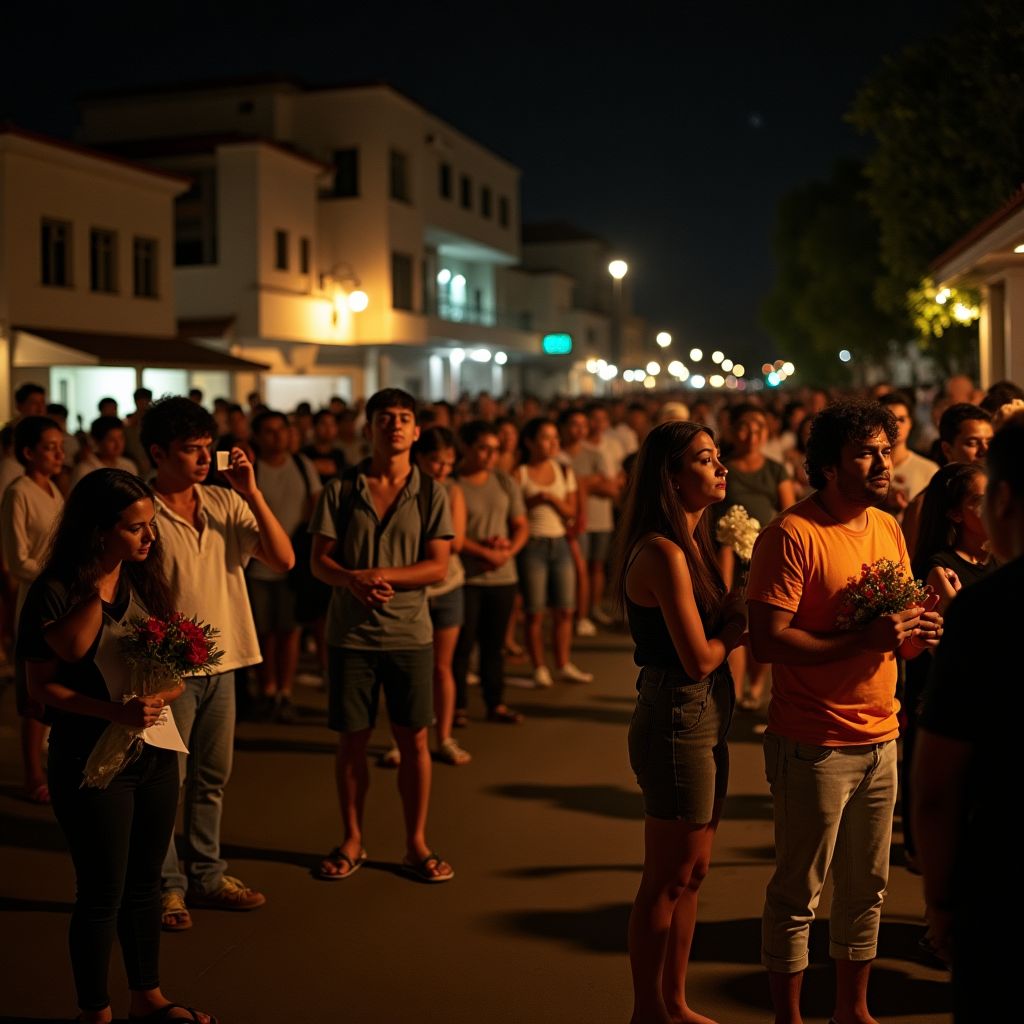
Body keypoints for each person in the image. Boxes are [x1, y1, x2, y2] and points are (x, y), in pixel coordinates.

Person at [746, 400, 943, 1024]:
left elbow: (895, 635)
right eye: (865, 452)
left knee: (867, 890)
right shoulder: (792, 534)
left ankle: (852, 1011)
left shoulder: (886, 526)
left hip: (882, 734)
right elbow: (767, 641)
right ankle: (789, 1017)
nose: (883, 462)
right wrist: (864, 639)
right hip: (814, 741)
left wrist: (918, 632)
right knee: (798, 894)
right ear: (828, 466)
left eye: (885, 449)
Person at [19, 469, 216, 1024]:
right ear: (98, 530)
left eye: (151, 525)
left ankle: (147, 997)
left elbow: (175, 673)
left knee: (145, 884)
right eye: (135, 528)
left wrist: (163, 690)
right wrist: (114, 711)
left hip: (154, 753)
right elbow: (41, 688)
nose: (150, 537)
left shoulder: (145, 580)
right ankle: (95, 1012)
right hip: (91, 761)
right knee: (101, 891)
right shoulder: (56, 589)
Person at [143, 397, 294, 931]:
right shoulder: (141, 509)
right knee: (167, 782)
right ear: (158, 453)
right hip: (167, 669)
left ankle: (207, 874)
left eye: (209, 448)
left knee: (211, 779)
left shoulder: (224, 501)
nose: (205, 459)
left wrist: (251, 492)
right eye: (192, 449)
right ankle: (166, 885)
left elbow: (283, 558)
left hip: (224, 660)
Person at [614, 420, 746, 1024]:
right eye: (704, 459)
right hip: (677, 713)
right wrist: (738, 625)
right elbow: (697, 658)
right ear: (670, 477)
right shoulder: (663, 552)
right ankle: (648, 1011)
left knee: (693, 873)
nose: (721, 467)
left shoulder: (692, 543)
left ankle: (674, 1001)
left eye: (718, 456)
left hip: (705, 712)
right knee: (666, 878)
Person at [310, 388, 455, 883]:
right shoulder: (340, 489)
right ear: (368, 428)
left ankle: (416, 844)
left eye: (403, 418)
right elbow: (319, 562)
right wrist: (351, 579)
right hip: (350, 635)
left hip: (409, 634)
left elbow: (438, 565)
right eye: (385, 418)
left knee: (414, 740)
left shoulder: (432, 492)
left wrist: (377, 575)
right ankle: (352, 839)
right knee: (352, 740)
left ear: (416, 431)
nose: (394, 425)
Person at [914, 415, 1024, 1022]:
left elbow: (937, 787)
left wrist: (941, 902)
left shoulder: (985, 610)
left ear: (1004, 500)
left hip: (1004, 871)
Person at [900, 462, 993, 872]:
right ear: (955, 513)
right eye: (980, 500)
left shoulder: (999, 561)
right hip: (948, 704)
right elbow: (968, 648)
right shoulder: (942, 568)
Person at [715, 404, 795, 710]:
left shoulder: (775, 469)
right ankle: (733, 691)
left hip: (765, 556)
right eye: (745, 427)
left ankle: (757, 685)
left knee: (762, 623)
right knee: (734, 621)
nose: (752, 435)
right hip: (728, 554)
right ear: (733, 431)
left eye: (758, 428)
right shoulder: (724, 468)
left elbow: (788, 513)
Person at [2, 416, 65, 803]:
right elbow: (17, 559)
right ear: (28, 453)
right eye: (49, 448)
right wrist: (55, 573)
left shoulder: (54, 490)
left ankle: (51, 766)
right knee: (35, 688)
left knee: (56, 682)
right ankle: (32, 774)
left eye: (60, 447)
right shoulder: (19, 492)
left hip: (59, 597)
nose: (59, 455)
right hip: (36, 599)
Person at [453, 419, 529, 727]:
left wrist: (507, 551)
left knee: (494, 646)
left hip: (502, 575)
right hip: (466, 576)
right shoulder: (453, 483)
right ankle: (457, 706)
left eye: (494, 450)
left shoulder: (503, 481)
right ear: (466, 447)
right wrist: (484, 552)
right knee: (463, 645)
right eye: (483, 448)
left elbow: (521, 525)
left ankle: (495, 702)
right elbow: (453, 535)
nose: (489, 456)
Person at [247, 410, 321, 722]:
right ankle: (267, 689)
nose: (277, 436)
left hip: (293, 566)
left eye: (281, 430)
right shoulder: (252, 470)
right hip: (258, 566)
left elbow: (316, 505)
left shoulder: (302, 465)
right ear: (257, 436)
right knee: (264, 632)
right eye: (269, 431)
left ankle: (285, 691)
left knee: (289, 631)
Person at [515, 418, 593, 686]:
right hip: (532, 544)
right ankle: (539, 667)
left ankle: (563, 663)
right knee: (535, 611)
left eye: (555, 438)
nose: (553, 443)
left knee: (565, 609)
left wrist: (550, 499)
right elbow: (514, 512)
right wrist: (533, 500)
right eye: (546, 438)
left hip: (559, 543)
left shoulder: (563, 470)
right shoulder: (520, 473)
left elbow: (571, 510)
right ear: (529, 442)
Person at [558, 408, 621, 633]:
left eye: (583, 425)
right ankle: (576, 612)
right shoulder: (558, 455)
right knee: (577, 568)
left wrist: (582, 484)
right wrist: (588, 482)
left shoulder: (594, 454)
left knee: (596, 566)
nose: (580, 430)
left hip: (599, 518)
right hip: (571, 521)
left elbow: (611, 489)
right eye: (574, 424)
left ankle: (592, 607)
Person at [901, 403, 993, 554]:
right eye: (972, 443)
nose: (984, 450)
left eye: (990, 442)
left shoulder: (999, 494)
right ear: (947, 449)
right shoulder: (924, 504)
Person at [877, 391, 939, 521]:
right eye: (889, 419)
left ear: (910, 423)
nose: (896, 425)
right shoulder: (868, 467)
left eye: (901, 419)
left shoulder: (929, 470)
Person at [71, 417, 138, 489]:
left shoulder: (128, 465)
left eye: (121, 438)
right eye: (111, 440)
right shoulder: (85, 469)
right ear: (98, 442)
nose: (118, 445)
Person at [301, 409, 347, 484]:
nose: (328, 429)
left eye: (332, 424)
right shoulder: (305, 454)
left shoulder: (339, 454)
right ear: (314, 427)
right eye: (323, 424)